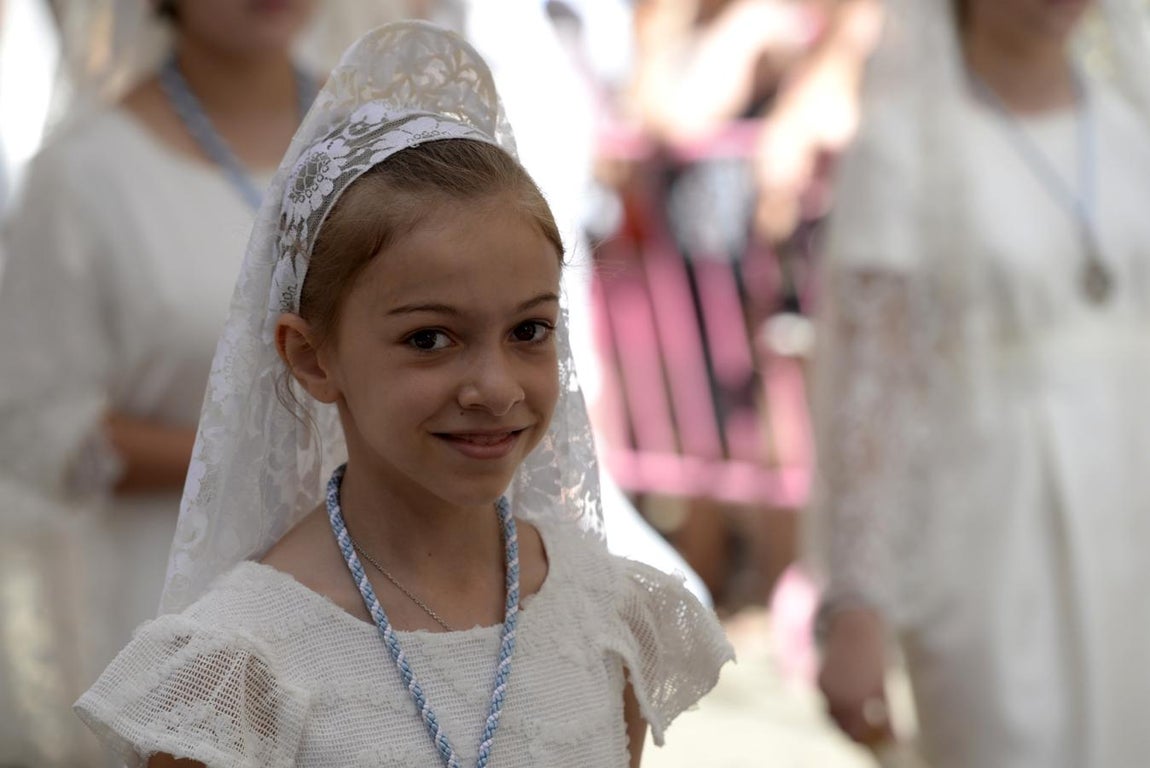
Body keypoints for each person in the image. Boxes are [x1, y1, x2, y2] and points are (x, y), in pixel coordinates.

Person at [73, 21, 733, 767]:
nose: (494, 386)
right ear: (312, 357)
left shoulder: (610, 618)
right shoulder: (241, 671)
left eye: (529, 331)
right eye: (430, 339)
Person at [808, 0, 1150, 765]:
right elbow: (873, 387)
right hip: (990, 543)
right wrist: (858, 599)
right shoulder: (907, 145)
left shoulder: (1133, 123)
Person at [0, 1, 320, 764]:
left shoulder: (389, 135)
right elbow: (40, 429)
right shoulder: (85, 173)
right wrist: (274, 455)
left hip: (390, 571)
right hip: (180, 594)